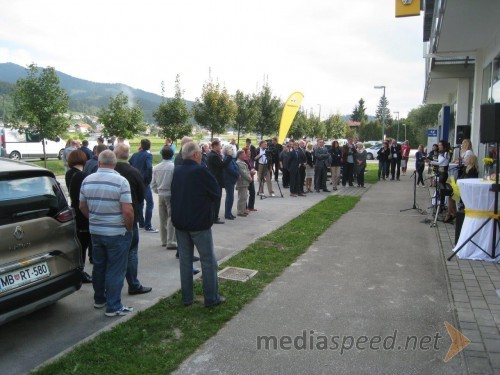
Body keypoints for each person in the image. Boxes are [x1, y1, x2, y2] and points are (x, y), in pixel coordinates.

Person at [79, 150, 135, 317]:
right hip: (116, 231)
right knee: (116, 269)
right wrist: (128, 228)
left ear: (99, 163)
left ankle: (100, 299)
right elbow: (128, 210)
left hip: (96, 231)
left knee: (99, 266)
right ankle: (114, 305)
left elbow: (82, 206)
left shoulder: (87, 180)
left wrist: (94, 218)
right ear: (115, 163)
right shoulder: (121, 181)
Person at [171, 142, 224, 307]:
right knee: (208, 260)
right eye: (200, 153)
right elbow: (216, 192)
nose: (201, 155)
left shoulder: (177, 170)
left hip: (180, 221)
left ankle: (187, 297)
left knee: (185, 261)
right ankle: (211, 297)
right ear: (195, 155)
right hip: (198, 222)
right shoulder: (200, 171)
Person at [113, 144, 152, 295]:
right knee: (131, 252)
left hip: (110, 218)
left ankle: (106, 290)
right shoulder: (133, 172)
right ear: (128, 154)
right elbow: (141, 195)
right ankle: (133, 284)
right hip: (130, 216)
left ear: (115, 154)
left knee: (112, 254)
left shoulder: (111, 170)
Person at [65, 149, 92, 283]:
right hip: (82, 212)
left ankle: (79, 270)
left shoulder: (69, 173)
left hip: (74, 209)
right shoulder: (82, 176)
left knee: (80, 242)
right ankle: (80, 271)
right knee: (83, 244)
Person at [129, 139, 158, 233]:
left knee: (140, 203)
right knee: (150, 203)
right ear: (149, 146)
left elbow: (130, 163)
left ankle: (141, 222)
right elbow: (149, 167)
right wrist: (148, 179)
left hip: (136, 180)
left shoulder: (135, 155)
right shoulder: (148, 155)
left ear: (141, 145)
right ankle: (148, 225)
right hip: (144, 182)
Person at [207, 140, 231, 224]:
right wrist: (229, 156)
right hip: (216, 180)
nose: (221, 147)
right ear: (215, 146)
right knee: (216, 199)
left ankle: (213, 216)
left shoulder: (213, 154)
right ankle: (214, 217)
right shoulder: (214, 156)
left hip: (215, 179)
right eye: (219, 146)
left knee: (215, 199)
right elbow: (222, 165)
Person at [431, 140, 451, 212]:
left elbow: (439, 163)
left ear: (444, 146)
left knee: (442, 190)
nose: (439, 146)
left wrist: (430, 161)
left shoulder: (446, 153)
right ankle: (438, 205)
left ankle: (441, 206)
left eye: (440, 145)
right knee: (439, 189)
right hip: (440, 172)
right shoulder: (441, 153)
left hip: (443, 173)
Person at [222, 145, 240, 220]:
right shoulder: (227, 158)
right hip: (228, 180)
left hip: (231, 180)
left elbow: (235, 167)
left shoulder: (231, 158)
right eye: (231, 149)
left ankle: (229, 213)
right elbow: (230, 169)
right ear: (227, 150)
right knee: (230, 197)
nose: (232, 150)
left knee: (230, 197)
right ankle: (227, 213)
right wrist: (237, 174)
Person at [236, 150, 252, 217]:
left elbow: (247, 171)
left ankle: (243, 210)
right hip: (242, 182)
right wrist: (250, 178)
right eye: (243, 154)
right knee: (242, 197)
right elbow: (243, 173)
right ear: (240, 155)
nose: (245, 155)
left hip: (245, 182)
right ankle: (240, 211)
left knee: (244, 197)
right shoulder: (239, 163)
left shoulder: (242, 162)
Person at [243, 147, 257, 212]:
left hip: (251, 178)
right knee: (245, 193)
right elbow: (244, 170)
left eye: (250, 153)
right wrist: (250, 171)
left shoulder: (250, 159)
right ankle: (245, 208)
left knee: (253, 192)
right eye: (248, 153)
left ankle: (250, 207)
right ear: (245, 153)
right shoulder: (243, 160)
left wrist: (253, 169)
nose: (250, 154)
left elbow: (252, 166)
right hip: (246, 178)